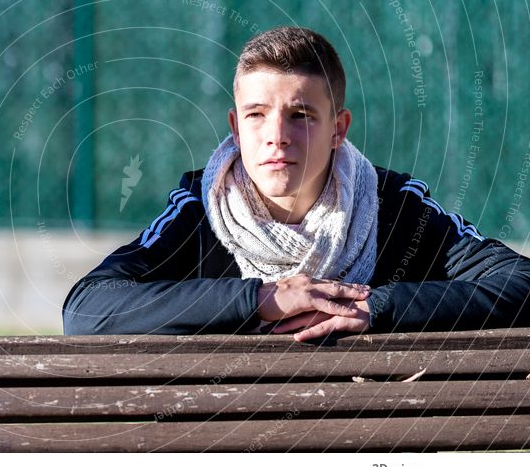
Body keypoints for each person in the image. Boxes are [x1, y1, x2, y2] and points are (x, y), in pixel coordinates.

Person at [62, 26, 530, 340]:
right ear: (236, 126)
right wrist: (263, 299)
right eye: (257, 115)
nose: (277, 137)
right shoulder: (200, 206)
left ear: (338, 129)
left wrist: (374, 308)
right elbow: (87, 308)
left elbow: (520, 283)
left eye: (301, 116)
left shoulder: (393, 205)